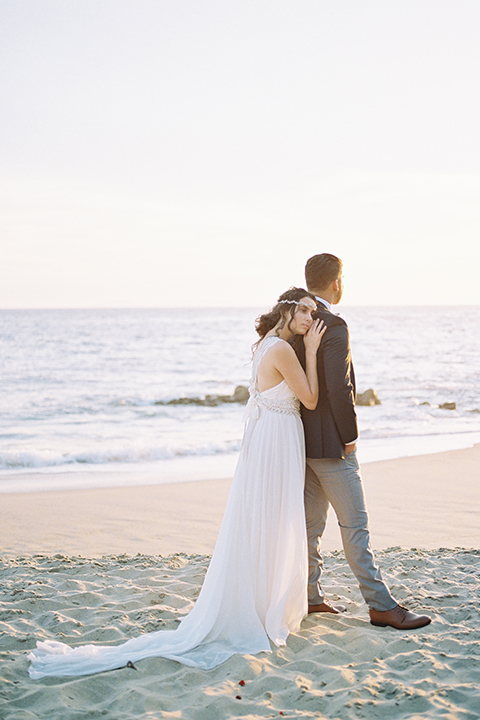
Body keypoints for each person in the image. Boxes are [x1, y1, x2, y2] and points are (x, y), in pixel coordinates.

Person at [28, 288, 326, 678]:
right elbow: (311, 399)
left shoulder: (264, 345)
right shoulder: (285, 350)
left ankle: (263, 599)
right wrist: (315, 352)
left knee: (264, 519)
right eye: (304, 310)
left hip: (268, 439)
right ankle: (267, 606)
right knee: (276, 519)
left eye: (313, 312)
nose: (309, 319)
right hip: (276, 440)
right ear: (286, 310)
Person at [299, 253, 431, 630]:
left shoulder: (295, 321)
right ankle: (381, 605)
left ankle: (310, 598)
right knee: (355, 526)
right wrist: (350, 436)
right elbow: (340, 389)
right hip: (331, 445)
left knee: (310, 527)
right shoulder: (334, 324)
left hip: (300, 442)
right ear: (337, 282)